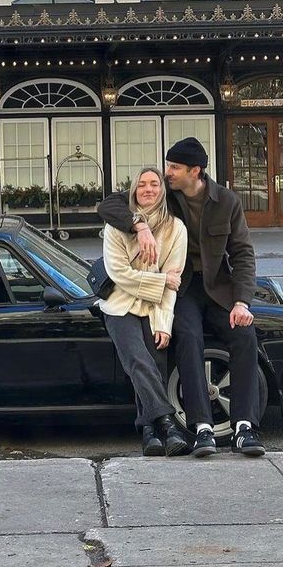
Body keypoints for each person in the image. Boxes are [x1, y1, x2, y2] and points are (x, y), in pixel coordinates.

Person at [97, 137, 265, 458]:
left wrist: (242, 301)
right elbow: (110, 205)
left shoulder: (227, 201)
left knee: (245, 335)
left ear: (195, 171)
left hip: (218, 287)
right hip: (181, 286)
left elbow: (242, 254)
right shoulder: (167, 196)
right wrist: (140, 226)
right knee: (187, 336)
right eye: (168, 165)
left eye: (173, 167)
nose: (167, 172)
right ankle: (202, 428)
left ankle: (245, 425)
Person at [94, 166, 189, 457]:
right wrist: (160, 280)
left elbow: (175, 280)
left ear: (162, 190)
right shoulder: (116, 226)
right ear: (134, 190)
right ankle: (167, 423)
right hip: (119, 304)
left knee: (155, 363)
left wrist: (164, 323)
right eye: (142, 185)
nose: (148, 189)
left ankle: (149, 432)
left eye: (154, 184)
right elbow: (120, 273)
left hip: (154, 306)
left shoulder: (176, 229)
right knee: (137, 360)